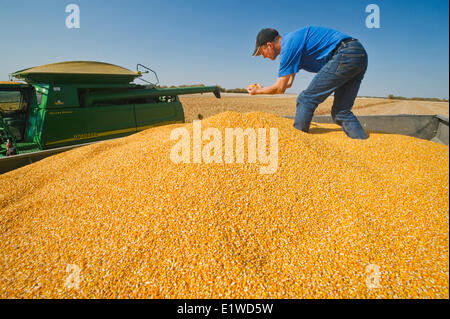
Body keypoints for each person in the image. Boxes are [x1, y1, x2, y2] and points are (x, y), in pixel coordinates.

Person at [248, 26, 368, 139]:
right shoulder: (291, 44)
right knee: (341, 112)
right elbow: (287, 84)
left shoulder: (288, 46)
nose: (263, 57)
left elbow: (280, 88)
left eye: (261, 52)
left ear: (269, 45)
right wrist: (262, 88)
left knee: (305, 99)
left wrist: (258, 91)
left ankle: (299, 142)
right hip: (358, 53)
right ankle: (362, 145)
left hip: (345, 53)